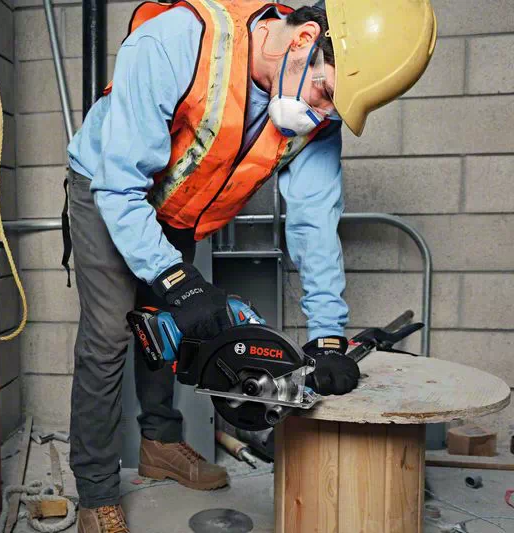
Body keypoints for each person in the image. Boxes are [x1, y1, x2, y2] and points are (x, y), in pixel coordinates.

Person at [64, 0, 436, 530]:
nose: (321, 114)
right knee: (108, 335)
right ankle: (96, 491)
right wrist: (177, 278)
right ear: (304, 39)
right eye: (326, 94)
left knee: (169, 327)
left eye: (335, 108)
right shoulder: (176, 41)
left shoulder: (315, 114)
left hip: (178, 206)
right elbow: (119, 186)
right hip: (108, 188)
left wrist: (328, 337)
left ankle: (160, 445)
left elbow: (315, 224)